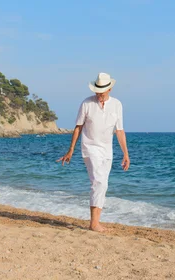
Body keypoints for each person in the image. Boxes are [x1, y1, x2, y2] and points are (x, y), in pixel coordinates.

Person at [58, 72, 130, 232]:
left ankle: (96, 221)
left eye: (102, 92)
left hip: (107, 150)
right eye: (97, 92)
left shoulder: (117, 105)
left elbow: (120, 130)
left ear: (109, 89)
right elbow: (78, 127)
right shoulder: (86, 104)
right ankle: (94, 224)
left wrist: (126, 154)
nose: (99, 95)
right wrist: (70, 150)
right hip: (90, 148)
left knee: (103, 184)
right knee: (99, 182)